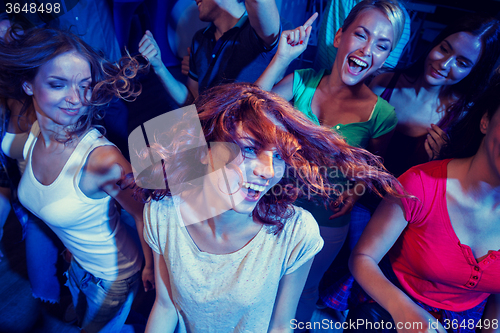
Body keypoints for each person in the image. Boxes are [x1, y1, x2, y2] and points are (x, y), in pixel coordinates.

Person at [136, 83, 404, 333]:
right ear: (205, 149)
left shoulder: (296, 232)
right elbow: (165, 305)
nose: (267, 171)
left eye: (278, 156)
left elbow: (280, 327)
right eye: (250, 149)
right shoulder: (163, 214)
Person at [255, 0, 405, 326]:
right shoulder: (301, 82)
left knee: (302, 293)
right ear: (339, 36)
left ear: (385, 57)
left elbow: (375, 170)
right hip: (272, 209)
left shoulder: (382, 114)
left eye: (382, 45)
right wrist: (281, 59)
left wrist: (360, 186)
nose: (368, 49)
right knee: (259, 285)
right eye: (361, 35)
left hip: (326, 223)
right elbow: (248, 112)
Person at [0, 27, 154, 332]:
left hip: (113, 278)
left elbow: (145, 214)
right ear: (28, 85)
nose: (75, 99)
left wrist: (152, 268)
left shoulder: (101, 159)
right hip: (77, 263)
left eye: (85, 86)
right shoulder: (32, 134)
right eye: (58, 84)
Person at [349, 75, 500, 332]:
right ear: (485, 121)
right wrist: (403, 311)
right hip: (390, 310)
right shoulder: (421, 183)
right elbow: (362, 258)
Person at [370, 15, 500, 177]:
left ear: (473, 72)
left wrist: (442, 163)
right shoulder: (384, 83)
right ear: (435, 43)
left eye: (462, 63)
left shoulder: (463, 117)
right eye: (444, 49)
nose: (444, 64)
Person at [138, 0, 280, 106]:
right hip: (207, 137)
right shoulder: (199, 39)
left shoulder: (259, 32)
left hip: (243, 141)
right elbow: (192, 100)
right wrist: (159, 66)